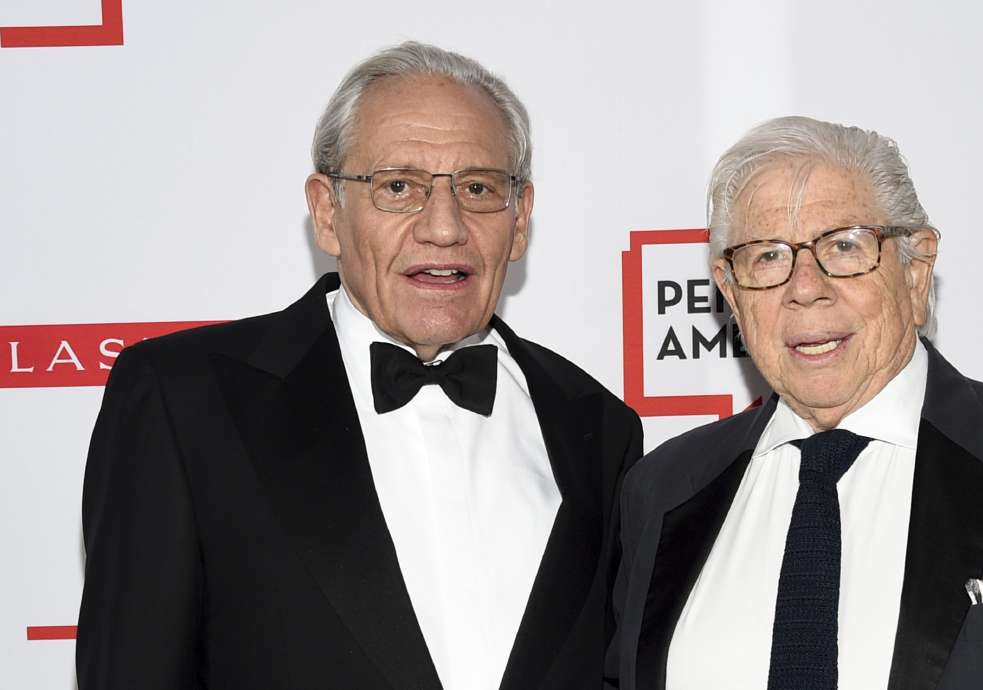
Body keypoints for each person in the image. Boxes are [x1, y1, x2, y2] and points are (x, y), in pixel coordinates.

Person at [76, 40, 642, 690]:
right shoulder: (183, 402)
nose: (444, 226)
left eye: (479, 188)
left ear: (519, 222)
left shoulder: (599, 430)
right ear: (327, 212)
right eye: (398, 187)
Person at [607, 117, 983, 690]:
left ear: (916, 268)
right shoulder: (662, 492)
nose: (805, 288)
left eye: (843, 246)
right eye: (767, 255)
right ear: (730, 293)